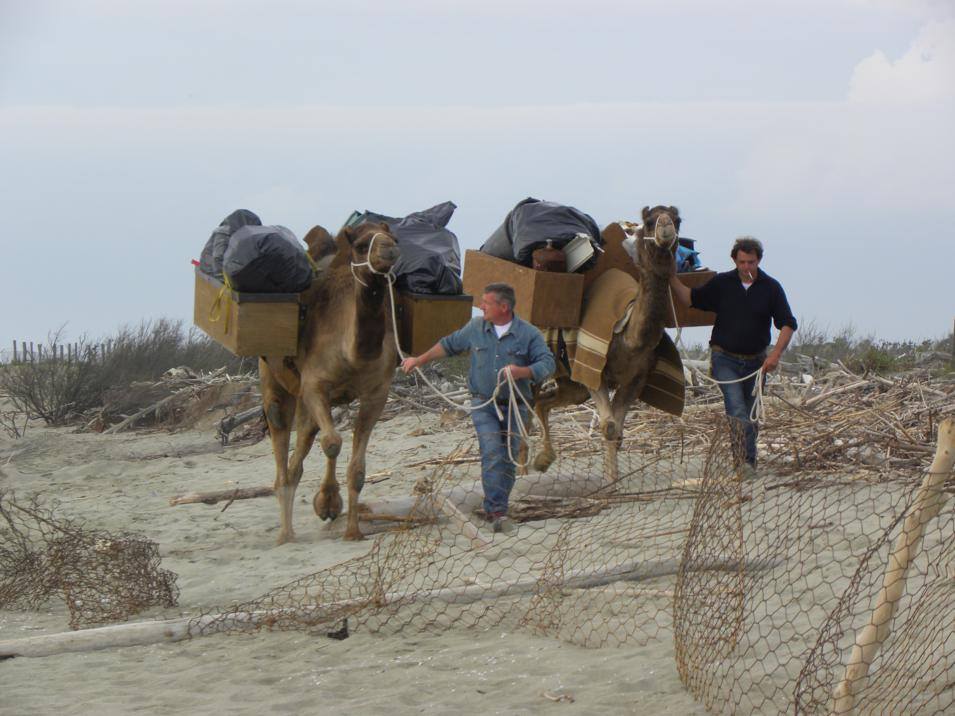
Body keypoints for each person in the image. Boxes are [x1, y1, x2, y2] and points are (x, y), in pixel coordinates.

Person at [401, 283, 556, 532]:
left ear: (503, 307)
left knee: (509, 459)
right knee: (492, 451)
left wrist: (522, 372)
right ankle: (496, 512)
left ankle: (499, 507)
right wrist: (418, 360)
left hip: (517, 405)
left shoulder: (529, 333)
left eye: (486, 303)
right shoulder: (475, 328)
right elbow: (449, 344)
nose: (481, 306)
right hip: (483, 403)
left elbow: (548, 363)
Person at [669, 236, 797, 475]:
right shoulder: (722, 284)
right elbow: (690, 299)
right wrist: (670, 278)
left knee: (751, 415)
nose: (746, 267)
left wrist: (775, 355)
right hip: (724, 358)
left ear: (759, 260)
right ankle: (744, 464)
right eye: (742, 262)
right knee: (737, 410)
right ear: (734, 261)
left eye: (751, 262)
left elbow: (788, 324)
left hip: (757, 363)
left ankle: (747, 460)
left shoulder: (771, 288)